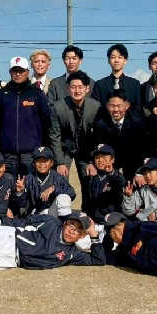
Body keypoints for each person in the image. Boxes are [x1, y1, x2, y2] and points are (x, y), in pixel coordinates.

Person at [48, 71, 100, 212]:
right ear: (68, 88)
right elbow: (55, 136)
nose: (77, 90)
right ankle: (61, 215)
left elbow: (98, 137)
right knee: (60, 181)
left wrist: (93, 161)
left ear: (87, 89)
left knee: (90, 182)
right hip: (65, 149)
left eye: (80, 87)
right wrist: (59, 162)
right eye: (73, 87)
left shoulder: (95, 107)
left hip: (87, 150)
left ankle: (89, 216)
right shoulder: (58, 107)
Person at [0, 56, 52, 176]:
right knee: (10, 186)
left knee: (29, 186)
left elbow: (45, 119)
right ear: (10, 72)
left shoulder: (37, 93)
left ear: (27, 72)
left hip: (31, 152)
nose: (18, 74)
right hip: (8, 152)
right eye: (15, 71)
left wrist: (38, 141)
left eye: (21, 71)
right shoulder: (2, 94)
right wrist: (6, 136)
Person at [92, 89, 151, 181]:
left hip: (133, 161)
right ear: (107, 106)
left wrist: (139, 172)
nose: (115, 110)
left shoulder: (137, 122)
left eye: (119, 106)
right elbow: (100, 148)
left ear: (127, 106)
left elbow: (144, 149)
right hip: (112, 162)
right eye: (112, 106)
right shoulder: (100, 124)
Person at [12, 146, 75, 217]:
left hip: (54, 213)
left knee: (63, 197)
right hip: (35, 215)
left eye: (45, 161)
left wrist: (54, 188)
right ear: (34, 163)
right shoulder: (28, 178)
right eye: (38, 161)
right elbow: (22, 205)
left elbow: (72, 193)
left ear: (51, 163)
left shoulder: (58, 177)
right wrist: (20, 193)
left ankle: (64, 223)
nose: (42, 164)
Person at [85, 144, 126, 224]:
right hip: (95, 221)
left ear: (112, 160)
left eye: (104, 157)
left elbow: (120, 182)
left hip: (112, 221)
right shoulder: (92, 178)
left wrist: (111, 173)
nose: (100, 160)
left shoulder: (115, 176)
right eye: (97, 157)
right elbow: (88, 202)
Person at [91, 43, 141, 108]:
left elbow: (138, 109)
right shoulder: (100, 85)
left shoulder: (134, 84)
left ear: (125, 61)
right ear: (108, 60)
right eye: (113, 57)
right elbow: (95, 109)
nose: (116, 60)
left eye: (120, 57)